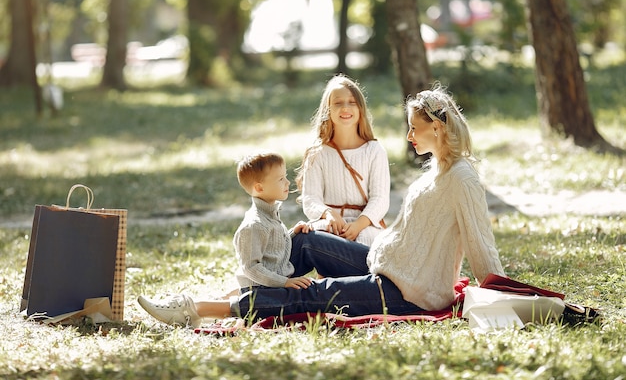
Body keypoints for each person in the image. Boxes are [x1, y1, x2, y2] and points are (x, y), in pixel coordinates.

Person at [137, 83, 506, 327]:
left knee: (315, 292)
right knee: (305, 241)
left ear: (437, 128)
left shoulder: (462, 178)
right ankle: (245, 289)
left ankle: (196, 309)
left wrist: (507, 298)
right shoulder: (435, 170)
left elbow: (481, 244)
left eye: (414, 127)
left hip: (409, 292)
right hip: (387, 263)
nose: (409, 136)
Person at [138, 151, 313, 328]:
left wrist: (292, 234)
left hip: (269, 286)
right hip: (259, 290)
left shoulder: (270, 215)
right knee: (276, 304)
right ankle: (186, 309)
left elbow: (272, 249)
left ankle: (209, 306)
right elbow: (251, 268)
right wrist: (285, 282)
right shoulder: (254, 225)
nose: (288, 182)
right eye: (280, 179)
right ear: (259, 188)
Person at [295, 74, 390, 246]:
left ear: (360, 109)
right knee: (306, 236)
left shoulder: (374, 151)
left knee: (366, 239)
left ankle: (341, 270)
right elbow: (310, 198)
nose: (345, 108)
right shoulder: (317, 153)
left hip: (366, 225)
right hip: (330, 224)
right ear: (327, 110)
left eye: (352, 102)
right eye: (338, 103)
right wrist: (329, 214)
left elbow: (380, 199)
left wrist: (358, 225)